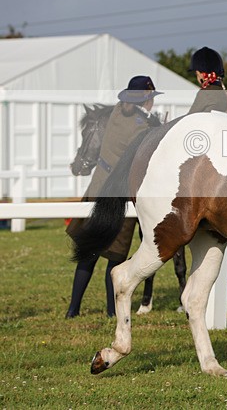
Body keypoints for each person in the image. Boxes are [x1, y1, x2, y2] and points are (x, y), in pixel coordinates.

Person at [65, 76, 162, 318]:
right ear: (146, 99)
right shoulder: (143, 126)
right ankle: (111, 312)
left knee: (88, 255)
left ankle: (73, 310)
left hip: (97, 187)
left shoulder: (116, 113)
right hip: (118, 195)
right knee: (115, 257)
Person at [188, 46, 227, 114]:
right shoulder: (221, 91)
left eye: (196, 74)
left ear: (199, 73)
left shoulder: (206, 92)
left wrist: (168, 124)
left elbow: (189, 117)